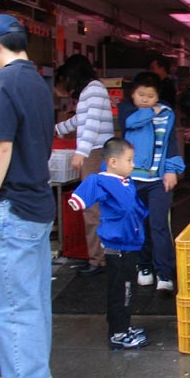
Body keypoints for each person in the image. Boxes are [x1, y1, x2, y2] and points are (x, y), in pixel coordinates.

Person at [0, 14, 55, 378]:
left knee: (13, 309)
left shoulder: (3, 82)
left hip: (12, 208)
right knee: (34, 302)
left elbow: (1, 148)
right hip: (37, 205)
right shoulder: (37, 82)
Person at [67, 137, 149, 349]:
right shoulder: (101, 181)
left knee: (127, 290)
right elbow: (78, 199)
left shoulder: (126, 182)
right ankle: (118, 333)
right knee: (121, 291)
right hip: (118, 248)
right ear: (113, 162)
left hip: (130, 245)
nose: (133, 164)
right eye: (129, 160)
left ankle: (123, 326)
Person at [119, 71, 185, 293]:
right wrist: (151, 111)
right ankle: (144, 266)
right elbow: (131, 123)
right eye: (141, 95)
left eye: (150, 96)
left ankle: (164, 272)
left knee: (159, 225)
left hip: (158, 180)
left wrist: (171, 171)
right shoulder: (127, 109)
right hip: (132, 179)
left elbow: (171, 143)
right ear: (132, 94)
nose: (145, 100)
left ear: (158, 96)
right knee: (139, 224)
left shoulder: (166, 113)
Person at [55, 53, 115, 276]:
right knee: (95, 207)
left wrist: (81, 152)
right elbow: (81, 120)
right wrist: (58, 129)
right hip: (96, 151)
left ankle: (98, 260)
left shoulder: (93, 90)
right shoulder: (92, 90)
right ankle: (99, 256)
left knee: (92, 207)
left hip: (95, 153)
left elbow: (91, 124)